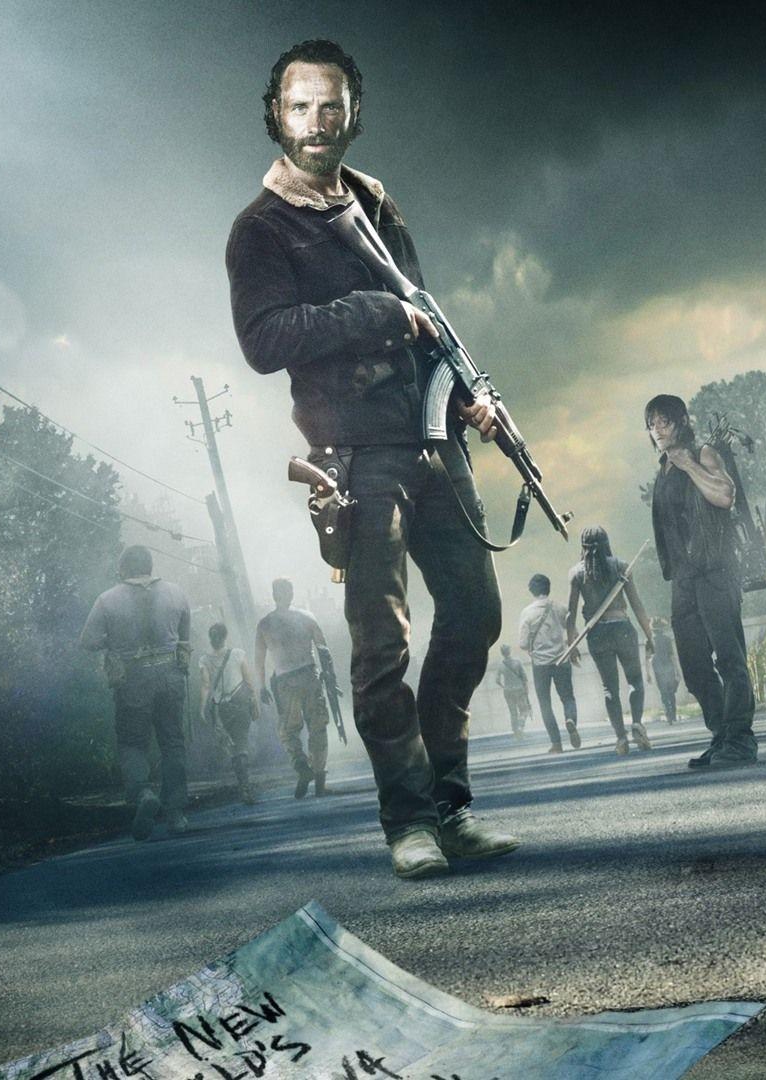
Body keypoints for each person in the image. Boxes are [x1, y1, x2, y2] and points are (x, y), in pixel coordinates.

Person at [226, 39, 519, 878]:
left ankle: (450, 805)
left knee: (475, 614)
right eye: (301, 107)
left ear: (354, 113)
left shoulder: (376, 202)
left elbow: (424, 313)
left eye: (332, 106)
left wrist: (468, 395)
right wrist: (371, 312)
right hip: (355, 457)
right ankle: (410, 821)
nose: (317, 123)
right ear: (277, 116)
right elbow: (263, 340)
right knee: (382, 645)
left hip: (433, 441)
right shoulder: (259, 230)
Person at [645, 394, 758, 769]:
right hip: (683, 579)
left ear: (681, 421)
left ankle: (740, 740)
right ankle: (722, 735)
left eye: (663, 421)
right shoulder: (663, 470)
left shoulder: (703, 453)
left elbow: (725, 496)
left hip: (715, 571)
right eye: (651, 424)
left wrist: (690, 465)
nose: (657, 429)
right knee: (693, 666)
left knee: (729, 658)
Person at [79, 545, 192, 839]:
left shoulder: (107, 599)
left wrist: (112, 641)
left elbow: (87, 640)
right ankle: (176, 813)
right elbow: (185, 638)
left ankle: (143, 794)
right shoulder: (177, 593)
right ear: (150, 566)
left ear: (123, 569)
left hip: (132, 677)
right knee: (173, 742)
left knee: (132, 743)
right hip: (170, 675)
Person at [564, 525, 655, 755]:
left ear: (583, 547)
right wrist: (649, 635)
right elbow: (636, 604)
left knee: (609, 688)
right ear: (607, 543)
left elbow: (570, 614)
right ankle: (637, 723)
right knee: (635, 680)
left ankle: (621, 738)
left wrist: (571, 644)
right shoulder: (621, 566)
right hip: (622, 628)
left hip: (597, 633)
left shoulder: (576, 573)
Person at [255, 578, 334, 800]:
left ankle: (301, 766)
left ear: (274, 595)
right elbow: (323, 650)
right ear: (291, 593)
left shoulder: (265, 624)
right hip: (309, 675)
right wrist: (329, 676)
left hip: (285, 682)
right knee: (317, 727)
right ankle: (319, 780)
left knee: (287, 731)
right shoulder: (306, 617)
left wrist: (261, 686)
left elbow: (259, 661)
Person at [518, 572, 581, 752]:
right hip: (562, 660)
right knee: (567, 697)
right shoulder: (560, 608)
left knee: (545, 703)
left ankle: (556, 743)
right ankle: (570, 719)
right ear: (548, 588)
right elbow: (574, 632)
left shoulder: (527, 613)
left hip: (540, 665)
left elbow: (522, 643)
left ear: (532, 591)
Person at [198, 621, 259, 805]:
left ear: (211, 638)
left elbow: (206, 685)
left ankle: (244, 786)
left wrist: (202, 708)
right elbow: (248, 680)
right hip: (240, 703)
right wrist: (254, 701)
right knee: (241, 744)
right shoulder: (238, 654)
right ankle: (245, 788)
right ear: (225, 636)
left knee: (232, 747)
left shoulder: (204, 660)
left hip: (222, 708)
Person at [649, 616, 683, 725]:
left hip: (657, 669)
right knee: (671, 692)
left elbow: (647, 659)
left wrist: (648, 674)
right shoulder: (667, 639)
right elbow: (672, 656)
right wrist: (678, 670)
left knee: (663, 693)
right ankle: (673, 714)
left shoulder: (649, 640)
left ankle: (668, 715)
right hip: (669, 667)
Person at [494, 644, 533, 738]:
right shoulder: (517, 662)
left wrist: (504, 687)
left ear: (502, 653)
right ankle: (520, 726)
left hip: (508, 691)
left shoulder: (500, 665)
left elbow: (497, 680)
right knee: (524, 710)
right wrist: (526, 690)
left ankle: (516, 733)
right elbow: (524, 677)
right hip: (519, 690)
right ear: (510, 651)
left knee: (513, 712)